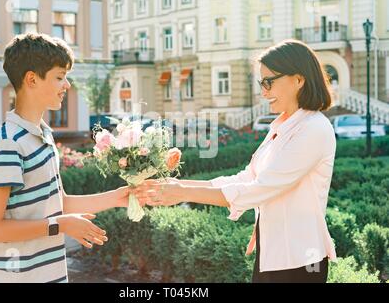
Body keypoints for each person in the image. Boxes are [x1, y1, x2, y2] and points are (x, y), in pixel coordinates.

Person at [138, 39, 337, 283]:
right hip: (274, 253)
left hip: (300, 260)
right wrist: (180, 185)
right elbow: (246, 178)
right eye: (261, 83)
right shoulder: (282, 126)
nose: (263, 91)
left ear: (298, 80)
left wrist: (182, 193)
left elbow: (261, 189)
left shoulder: (313, 128)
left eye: (269, 82)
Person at [0, 33, 144, 283]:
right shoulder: (9, 142)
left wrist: (120, 197)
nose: (67, 85)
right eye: (59, 77)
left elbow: (58, 204)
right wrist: (61, 225)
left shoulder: (43, 135)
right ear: (32, 79)